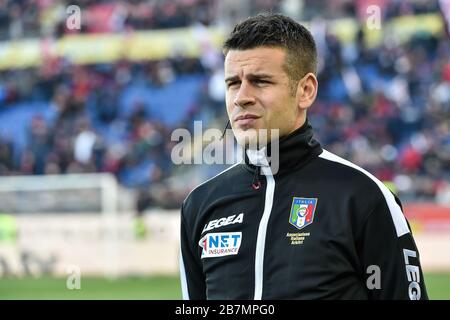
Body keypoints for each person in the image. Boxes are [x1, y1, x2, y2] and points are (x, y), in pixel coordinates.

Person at [179, 13, 428, 300]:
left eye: (260, 81)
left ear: (306, 90)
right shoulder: (200, 206)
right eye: (233, 83)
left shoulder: (362, 197)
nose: (241, 97)